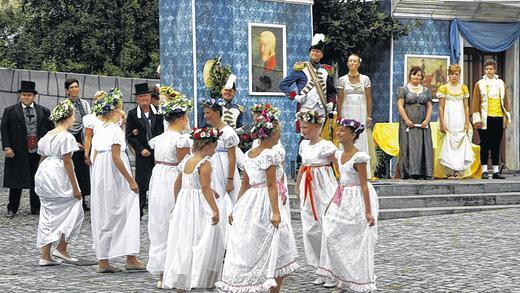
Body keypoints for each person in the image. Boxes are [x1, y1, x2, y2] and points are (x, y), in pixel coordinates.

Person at [216, 111, 299, 293]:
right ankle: (267, 285)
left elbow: (245, 185)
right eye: (279, 134)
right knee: (273, 241)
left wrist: (237, 207)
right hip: (264, 202)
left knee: (268, 243)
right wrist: (275, 212)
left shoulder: (249, 154)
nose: (280, 137)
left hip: (250, 200)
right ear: (271, 135)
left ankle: (270, 284)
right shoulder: (268, 155)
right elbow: (270, 185)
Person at [317, 118, 378, 292]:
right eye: (338, 130)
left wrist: (368, 212)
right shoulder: (337, 154)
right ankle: (341, 276)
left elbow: (364, 185)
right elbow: (341, 182)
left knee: (355, 239)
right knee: (333, 234)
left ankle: (355, 279)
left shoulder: (359, 157)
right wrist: (330, 204)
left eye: (343, 131)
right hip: (342, 197)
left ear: (352, 135)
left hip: (357, 198)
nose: (338, 133)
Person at [90, 89, 144, 273]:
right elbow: (116, 157)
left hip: (101, 174)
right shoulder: (114, 131)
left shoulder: (100, 131)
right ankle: (130, 257)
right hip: (115, 174)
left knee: (104, 213)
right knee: (128, 208)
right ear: (113, 112)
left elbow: (96, 156)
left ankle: (103, 260)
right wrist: (131, 180)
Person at [162, 127, 221, 291]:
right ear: (207, 145)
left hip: (184, 203)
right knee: (202, 238)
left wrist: (178, 203)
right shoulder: (205, 163)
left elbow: (178, 184)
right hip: (198, 205)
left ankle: (182, 279)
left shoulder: (187, 160)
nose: (215, 150)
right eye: (214, 146)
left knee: (184, 239)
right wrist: (215, 209)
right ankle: (198, 276)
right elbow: (205, 188)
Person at [147, 98, 193, 287]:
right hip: (171, 178)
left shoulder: (161, 138)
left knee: (160, 222)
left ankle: (162, 272)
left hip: (158, 177)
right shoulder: (181, 139)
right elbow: (183, 166)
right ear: (181, 118)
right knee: (172, 221)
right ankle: (170, 271)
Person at [35, 100, 84, 266]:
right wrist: (76, 187)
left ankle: (46, 255)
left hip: (45, 172)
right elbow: (67, 162)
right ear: (68, 118)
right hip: (58, 173)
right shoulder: (66, 136)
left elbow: (42, 156)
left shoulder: (47, 136)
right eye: (73, 117)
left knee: (48, 211)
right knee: (75, 204)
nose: (74, 119)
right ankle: (62, 247)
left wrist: (39, 176)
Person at [295, 110, 338, 288]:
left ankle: (332, 271)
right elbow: (303, 166)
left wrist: (342, 184)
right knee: (310, 228)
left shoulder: (326, 145)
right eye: (302, 127)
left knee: (325, 227)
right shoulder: (304, 145)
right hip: (308, 185)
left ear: (316, 126)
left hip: (323, 186)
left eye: (306, 127)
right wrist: (297, 186)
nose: (303, 130)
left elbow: (337, 164)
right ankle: (320, 268)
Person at [1, 80, 53, 218]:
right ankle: (12, 208)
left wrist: (49, 148)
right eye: (24, 95)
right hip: (17, 150)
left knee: (37, 179)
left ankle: (36, 208)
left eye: (29, 95)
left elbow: (51, 130)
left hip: (37, 151)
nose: (26, 97)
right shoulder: (10, 111)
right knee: (16, 180)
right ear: (20, 95)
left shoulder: (44, 111)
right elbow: (4, 129)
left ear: (34, 96)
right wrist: (7, 147)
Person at [279, 33, 336, 137]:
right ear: (310, 53)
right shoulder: (301, 68)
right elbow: (283, 85)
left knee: (318, 138)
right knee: (305, 138)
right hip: (306, 107)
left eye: (318, 51)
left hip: (321, 109)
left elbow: (331, 92)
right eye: (313, 51)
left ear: (322, 55)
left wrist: (331, 103)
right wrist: (296, 96)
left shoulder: (326, 71)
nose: (315, 53)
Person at [126, 83, 165, 217]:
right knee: (141, 181)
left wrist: (154, 147)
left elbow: (161, 131)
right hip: (142, 154)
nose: (144, 100)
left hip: (157, 152)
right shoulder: (132, 114)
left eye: (146, 97)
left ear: (150, 97)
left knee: (157, 179)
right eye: (141, 97)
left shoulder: (158, 112)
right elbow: (130, 135)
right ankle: (139, 208)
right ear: (137, 99)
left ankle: (157, 208)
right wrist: (141, 149)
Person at [471, 59, 510, 179]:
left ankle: (495, 171)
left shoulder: (501, 83)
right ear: (484, 70)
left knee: (496, 144)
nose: (489, 71)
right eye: (487, 68)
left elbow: (506, 102)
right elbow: (475, 103)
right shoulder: (479, 84)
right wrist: (476, 119)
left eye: (491, 68)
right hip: (484, 118)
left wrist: (506, 118)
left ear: (495, 70)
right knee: (485, 144)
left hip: (498, 118)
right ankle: (484, 170)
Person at [336, 53, 375, 176]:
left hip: (361, 111)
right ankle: (345, 169)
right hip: (347, 111)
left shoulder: (365, 79)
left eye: (354, 61)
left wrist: (369, 116)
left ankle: (363, 170)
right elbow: (340, 99)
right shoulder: (342, 80)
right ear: (347, 64)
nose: (352, 63)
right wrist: (339, 117)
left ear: (359, 64)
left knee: (360, 137)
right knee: (347, 136)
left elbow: (369, 98)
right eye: (350, 61)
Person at [397, 66, 434, 179]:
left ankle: (424, 172)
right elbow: (400, 105)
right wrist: (407, 120)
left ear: (421, 77)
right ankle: (409, 172)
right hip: (408, 123)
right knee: (408, 146)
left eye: (418, 75)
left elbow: (429, 106)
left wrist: (427, 120)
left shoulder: (426, 90)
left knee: (424, 145)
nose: (416, 77)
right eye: (414, 74)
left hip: (422, 123)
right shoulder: (403, 89)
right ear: (410, 75)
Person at [437, 64, 474, 178]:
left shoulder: (463, 88)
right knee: (448, 143)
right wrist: (442, 122)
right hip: (448, 118)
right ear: (448, 75)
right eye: (452, 74)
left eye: (456, 74)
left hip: (460, 118)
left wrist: (467, 122)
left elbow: (466, 106)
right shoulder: (443, 88)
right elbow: (441, 107)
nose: (454, 76)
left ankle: (458, 170)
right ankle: (450, 170)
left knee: (461, 142)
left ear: (459, 75)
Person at [65, 78, 91, 211]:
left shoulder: (85, 104)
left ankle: (84, 198)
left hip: (84, 135)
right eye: (71, 87)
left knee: (84, 170)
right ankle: (73, 197)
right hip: (71, 137)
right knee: (73, 169)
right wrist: (72, 142)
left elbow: (89, 120)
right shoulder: (64, 105)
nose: (75, 89)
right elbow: (63, 125)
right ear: (67, 90)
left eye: (76, 86)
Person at [83, 91, 107, 166]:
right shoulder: (91, 118)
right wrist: (86, 154)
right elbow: (88, 137)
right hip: (97, 149)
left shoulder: (113, 116)